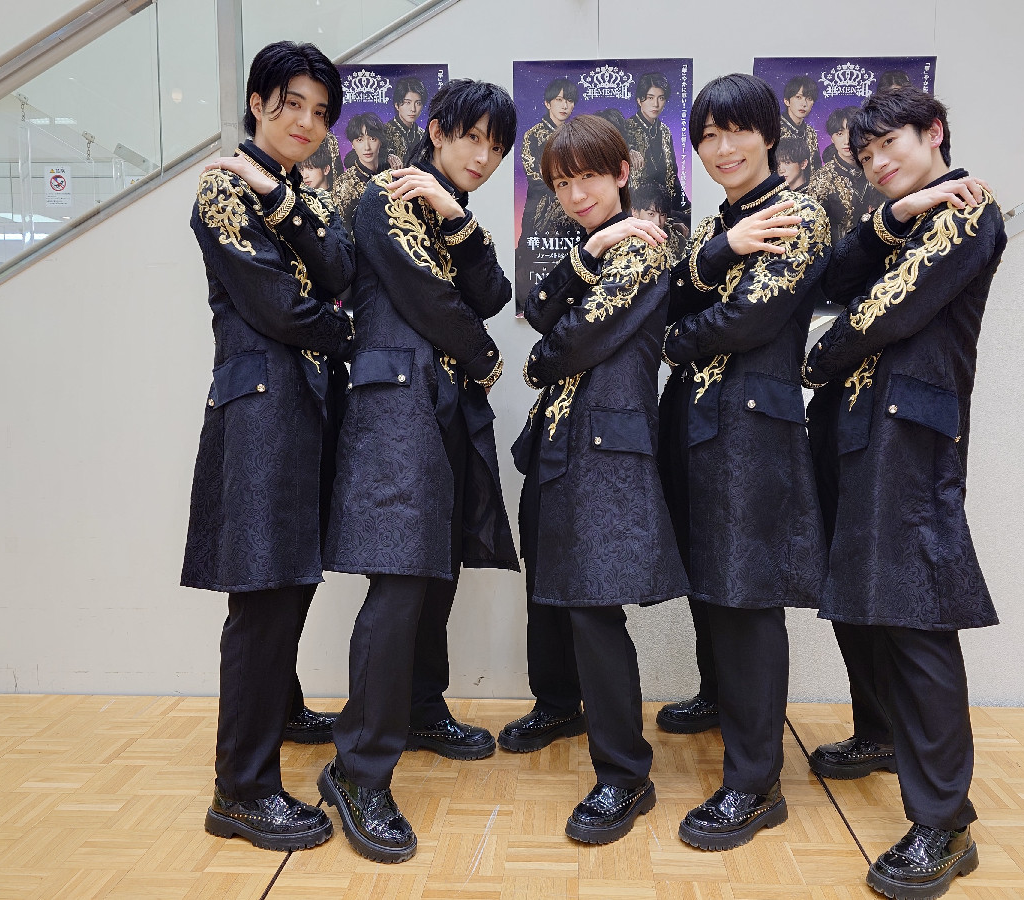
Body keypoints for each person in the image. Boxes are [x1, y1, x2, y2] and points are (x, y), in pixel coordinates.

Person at [801, 86, 1003, 899]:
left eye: (891, 144)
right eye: (866, 154)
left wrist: (816, 361)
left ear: (934, 132)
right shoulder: (908, 216)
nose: (878, 161)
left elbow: (885, 310)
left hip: (910, 433)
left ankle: (945, 823)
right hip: (856, 427)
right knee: (859, 597)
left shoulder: (967, 208)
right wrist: (890, 216)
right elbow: (833, 279)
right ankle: (880, 734)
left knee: (914, 610)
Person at [317, 78, 519, 864]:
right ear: (436, 131)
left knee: (437, 571)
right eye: (472, 138)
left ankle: (421, 708)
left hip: (444, 410)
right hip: (395, 406)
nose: (483, 157)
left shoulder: (450, 209)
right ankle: (357, 769)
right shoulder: (384, 196)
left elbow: (492, 290)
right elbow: (432, 301)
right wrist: (488, 358)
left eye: (496, 147)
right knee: (400, 580)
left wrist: (459, 220)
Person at [182, 40, 355, 852]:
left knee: (290, 576)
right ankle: (242, 791)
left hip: (307, 410)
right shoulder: (223, 188)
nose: (306, 123)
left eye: (320, 112)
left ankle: (280, 712)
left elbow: (339, 268)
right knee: (264, 597)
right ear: (257, 103)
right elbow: (283, 309)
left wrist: (284, 200)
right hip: (260, 414)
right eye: (291, 105)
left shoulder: (294, 193)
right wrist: (350, 332)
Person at [658, 72, 831, 851]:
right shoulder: (718, 226)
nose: (723, 148)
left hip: (753, 428)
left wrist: (673, 340)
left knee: (747, 593)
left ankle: (756, 783)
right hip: (694, 422)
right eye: (708, 136)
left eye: (736, 131)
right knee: (709, 578)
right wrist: (718, 253)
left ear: (768, 134)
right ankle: (719, 696)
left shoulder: (801, 214)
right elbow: (671, 295)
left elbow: (746, 318)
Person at [509, 113, 688, 844]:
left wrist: (538, 358)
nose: (576, 194)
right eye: (562, 183)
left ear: (621, 173)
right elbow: (536, 309)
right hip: (558, 440)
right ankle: (558, 704)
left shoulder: (644, 247)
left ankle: (624, 773)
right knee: (550, 584)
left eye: (588, 176)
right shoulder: (596, 248)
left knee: (592, 605)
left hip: (608, 446)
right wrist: (587, 256)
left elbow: (565, 344)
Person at [516, 77, 583, 298]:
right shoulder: (532, 135)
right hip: (539, 207)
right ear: (547, 103)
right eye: (559, 100)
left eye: (569, 101)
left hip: (574, 209)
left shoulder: (577, 136)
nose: (565, 105)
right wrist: (565, 188)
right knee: (532, 262)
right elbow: (534, 175)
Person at [808, 106, 885, 244]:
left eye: (852, 132)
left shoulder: (877, 166)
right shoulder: (822, 178)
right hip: (839, 252)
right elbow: (813, 229)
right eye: (839, 134)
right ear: (832, 138)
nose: (847, 141)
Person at [625, 72, 691, 222]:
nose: (656, 104)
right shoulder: (626, 128)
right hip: (637, 207)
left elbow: (672, 175)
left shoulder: (665, 131)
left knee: (688, 219)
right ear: (639, 100)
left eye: (661, 98)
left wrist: (685, 206)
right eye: (650, 98)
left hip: (664, 205)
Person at [332, 111, 386, 222]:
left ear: (380, 141)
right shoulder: (345, 184)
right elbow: (339, 226)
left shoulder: (391, 171)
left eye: (372, 139)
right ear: (352, 144)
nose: (367, 147)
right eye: (360, 140)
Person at [631, 181, 687, 263]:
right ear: (635, 212)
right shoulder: (627, 243)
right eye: (651, 214)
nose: (658, 222)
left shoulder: (673, 234)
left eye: (662, 215)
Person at [779, 74, 820, 176]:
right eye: (798, 97)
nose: (804, 104)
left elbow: (817, 167)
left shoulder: (810, 132)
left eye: (809, 98)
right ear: (786, 101)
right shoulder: (774, 129)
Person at [382, 75, 428, 168]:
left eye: (418, 103)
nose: (413, 109)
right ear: (397, 105)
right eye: (408, 102)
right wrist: (386, 156)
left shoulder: (423, 135)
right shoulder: (383, 132)